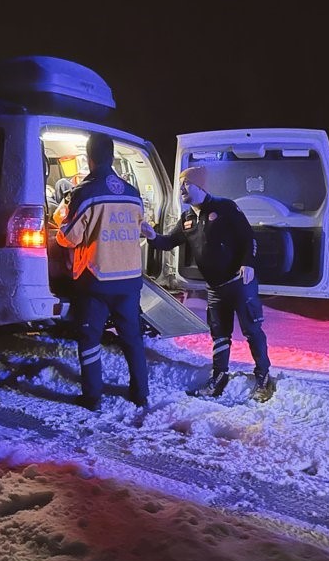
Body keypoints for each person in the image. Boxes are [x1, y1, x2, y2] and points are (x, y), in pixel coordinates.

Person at [141, 166, 276, 402]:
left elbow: (248, 238)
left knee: (252, 330)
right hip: (215, 288)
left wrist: (248, 263)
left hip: (240, 283)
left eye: (187, 184)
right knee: (219, 334)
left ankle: (263, 376)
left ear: (200, 185)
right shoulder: (187, 219)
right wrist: (151, 235)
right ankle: (219, 377)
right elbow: (168, 242)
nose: (181, 188)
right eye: (181, 184)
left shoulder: (225, 207)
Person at [54, 133, 149, 410]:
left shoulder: (84, 193)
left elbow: (69, 238)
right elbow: (139, 227)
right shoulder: (132, 193)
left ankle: (92, 396)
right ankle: (140, 393)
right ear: (112, 156)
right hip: (130, 279)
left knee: (89, 339)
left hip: (96, 280)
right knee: (132, 338)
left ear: (89, 158)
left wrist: (61, 220)